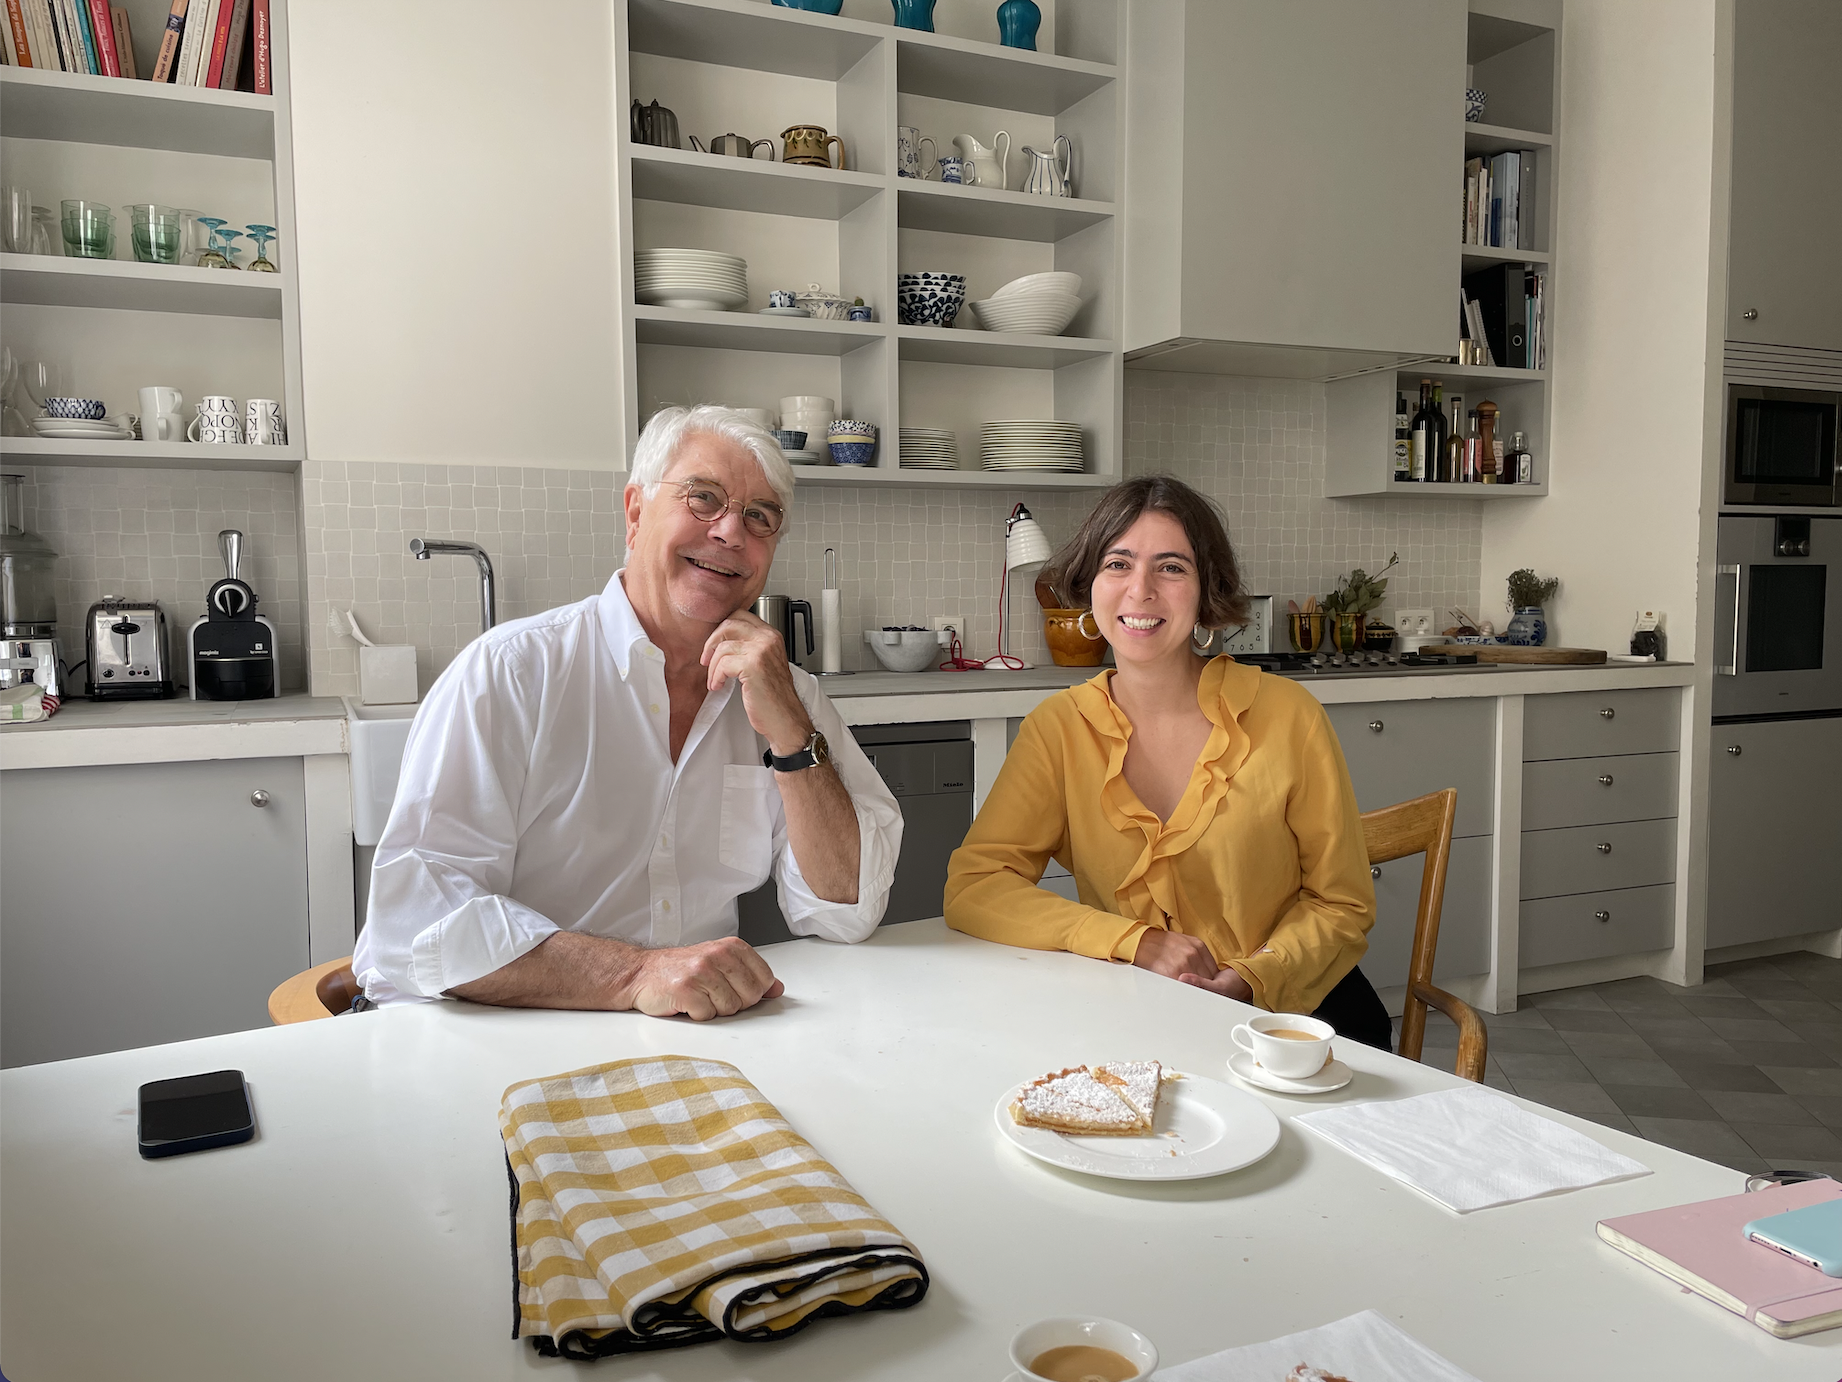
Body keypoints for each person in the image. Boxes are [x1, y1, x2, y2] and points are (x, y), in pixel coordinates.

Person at [353, 406, 903, 1017]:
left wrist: (793, 734)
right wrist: (635, 974)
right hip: (505, 1034)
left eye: (760, 517)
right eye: (703, 499)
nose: (731, 533)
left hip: (695, 1042)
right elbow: (416, 924)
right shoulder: (510, 673)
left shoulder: (786, 696)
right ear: (636, 513)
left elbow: (844, 911)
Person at [943, 475, 1391, 1049]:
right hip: (1144, 1020)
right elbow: (975, 886)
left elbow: (1341, 903)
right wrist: (1133, 940)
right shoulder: (1057, 730)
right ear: (1091, 584)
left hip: (1295, 1024)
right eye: (1119, 563)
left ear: (1208, 591)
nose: (1141, 590)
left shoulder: (1288, 716)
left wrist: (1252, 979)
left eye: (1172, 567)